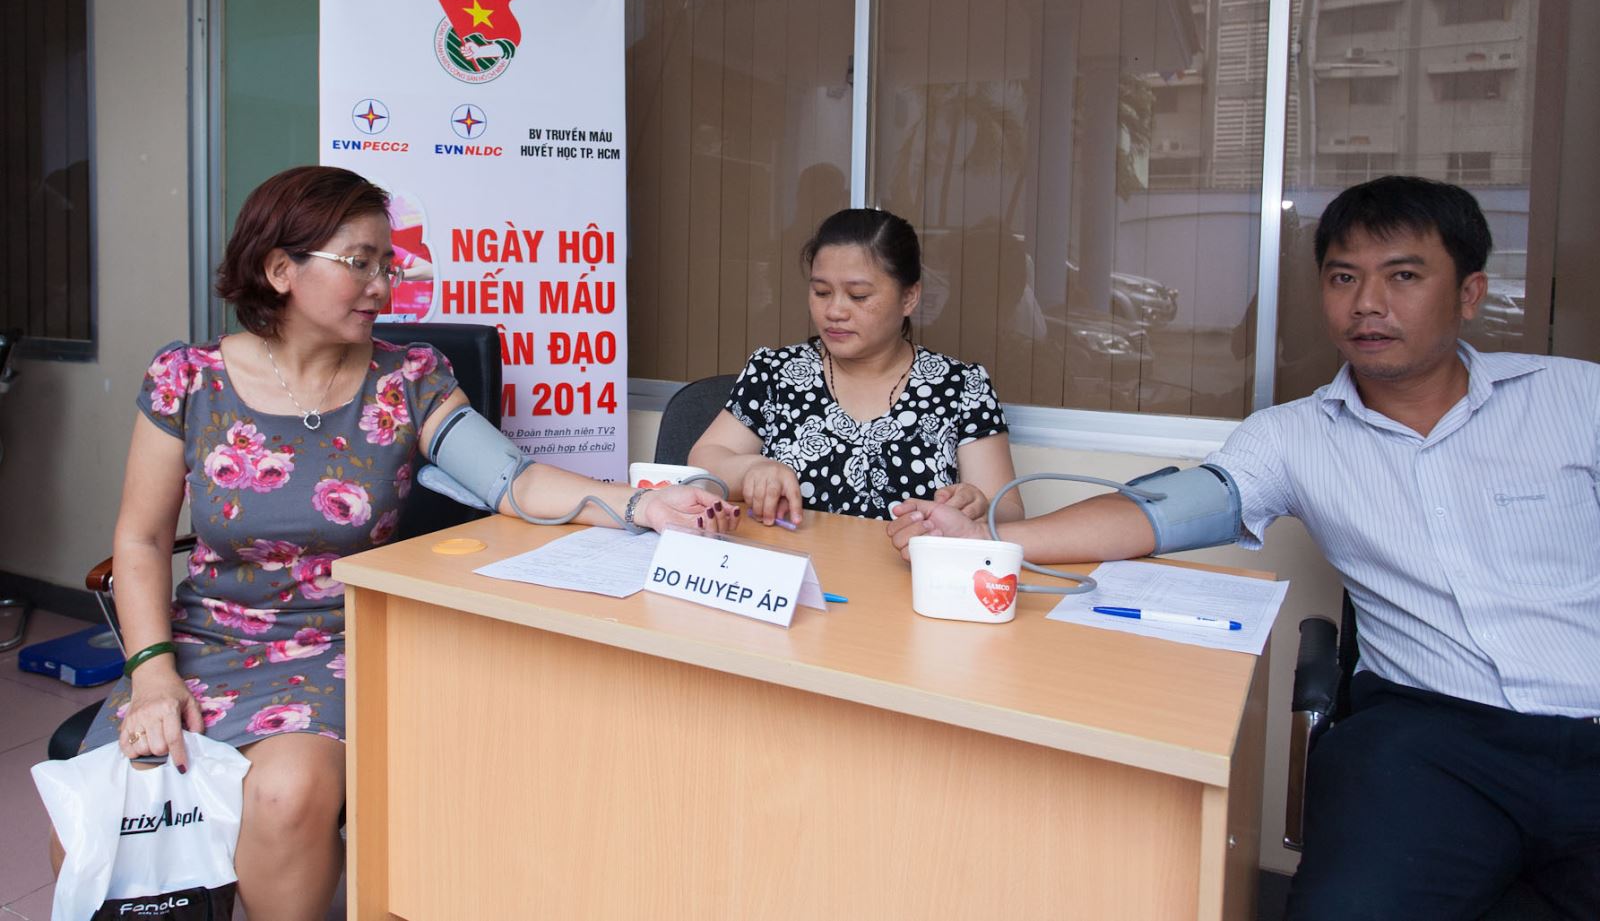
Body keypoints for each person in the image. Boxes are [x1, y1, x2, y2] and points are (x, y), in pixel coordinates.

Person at [888, 176, 1600, 919]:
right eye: (1344, 278)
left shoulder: (1576, 401)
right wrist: (989, 537)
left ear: (1470, 292)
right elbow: (1165, 513)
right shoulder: (1296, 435)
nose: (1367, 303)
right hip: (1428, 740)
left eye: (1403, 276)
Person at [61, 166, 734, 921]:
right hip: (201, 638)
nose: (383, 285)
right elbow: (143, 537)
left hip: (342, 638)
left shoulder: (409, 378)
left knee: (285, 795)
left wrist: (645, 503)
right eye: (361, 263)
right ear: (280, 269)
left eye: (389, 264)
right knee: (102, 801)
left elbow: (513, 480)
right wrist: (153, 672)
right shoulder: (186, 378)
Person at [690, 208, 1023, 524]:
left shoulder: (961, 387)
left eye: (859, 296)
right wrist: (751, 469)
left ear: (909, 297)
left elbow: (1006, 507)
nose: (835, 311)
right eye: (822, 292)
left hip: (905, 565)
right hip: (790, 562)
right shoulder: (776, 373)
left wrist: (978, 505)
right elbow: (706, 460)